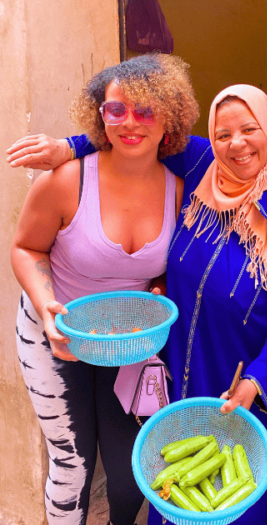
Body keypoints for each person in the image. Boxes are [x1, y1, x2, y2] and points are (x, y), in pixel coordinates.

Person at [8, 84, 267, 525]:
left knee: (235, 490)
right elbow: (133, 137)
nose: (236, 145)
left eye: (249, 129)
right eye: (223, 134)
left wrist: (257, 381)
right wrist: (69, 146)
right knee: (174, 478)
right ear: (209, 138)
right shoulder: (201, 165)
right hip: (177, 362)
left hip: (246, 371)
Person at [9, 54, 195, 525]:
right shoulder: (67, 179)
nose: (130, 123)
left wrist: (158, 285)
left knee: (131, 477)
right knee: (72, 468)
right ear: (99, 115)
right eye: (116, 110)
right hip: (55, 338)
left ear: (169, 116)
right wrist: (45, 306)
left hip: (128, 346)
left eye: (146, 110)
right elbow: (27, 249)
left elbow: (176, 264)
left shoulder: (179, 189)